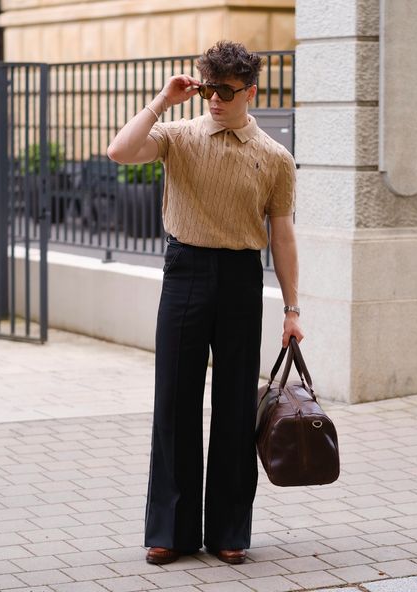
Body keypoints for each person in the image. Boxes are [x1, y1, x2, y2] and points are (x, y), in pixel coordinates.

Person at [107, 40, 303, 566]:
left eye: (226, 91)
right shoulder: (177, 136)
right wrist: (161, 102)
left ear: (249, 92)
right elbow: (120, 151)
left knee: (237, 406)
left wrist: (291, 309)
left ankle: (229, 531)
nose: (214, 100)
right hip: (185, 273)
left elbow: (281, 236)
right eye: (208, 88)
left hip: (241, 279)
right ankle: (170, 530)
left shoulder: (275, 158)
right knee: (174, 399)